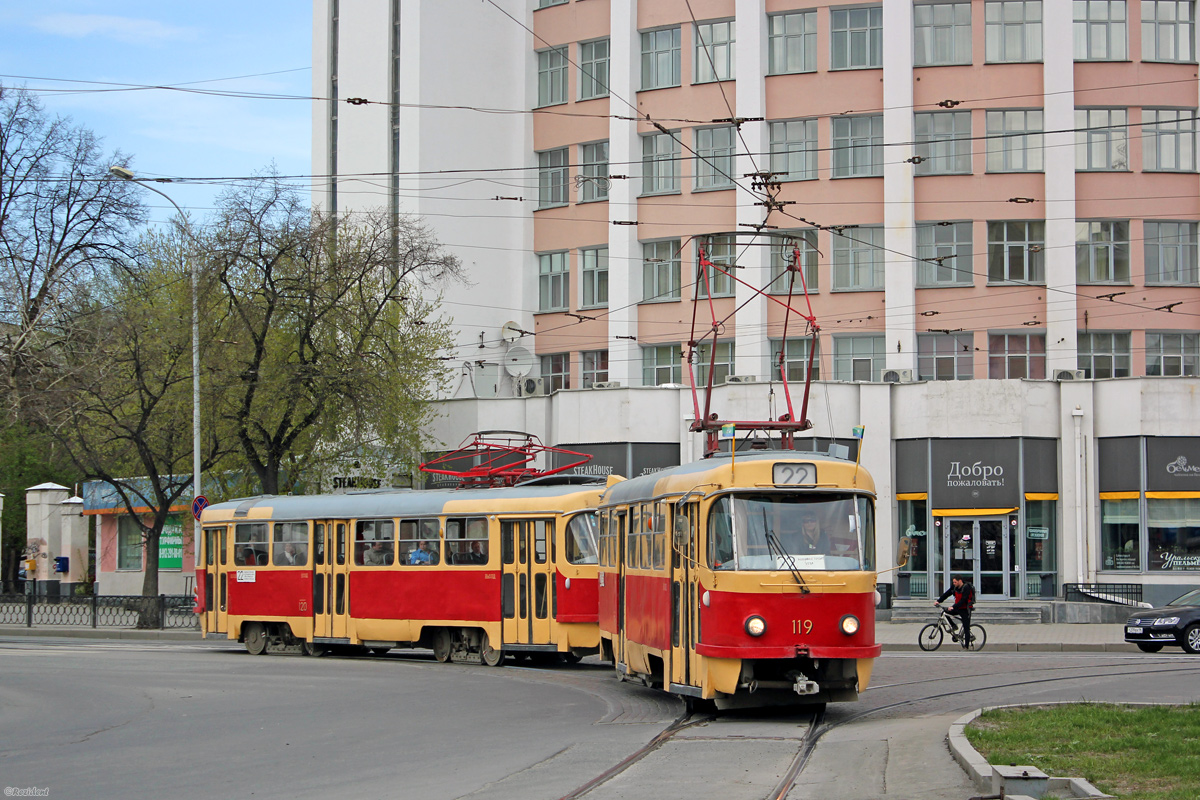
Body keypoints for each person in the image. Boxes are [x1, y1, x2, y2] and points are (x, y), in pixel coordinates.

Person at [935, 575, 976, 647]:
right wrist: (938, 601)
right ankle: (953, 626)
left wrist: (953, 607)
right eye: (953, 582)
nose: (954, 583)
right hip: (957, 607)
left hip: (965, 609)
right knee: (944, 612)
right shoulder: (954, 587)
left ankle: (966, 646)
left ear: (960, 581)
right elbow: (947, 594)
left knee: (966, 628)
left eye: (955, 582)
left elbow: (963, 600)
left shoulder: (966, 587)